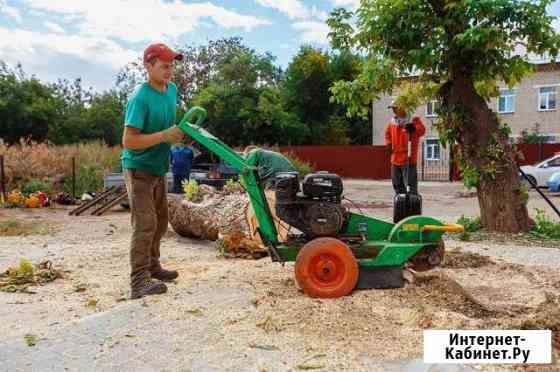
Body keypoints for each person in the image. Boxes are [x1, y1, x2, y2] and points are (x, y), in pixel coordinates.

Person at [121, 43, 187, 299]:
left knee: (161, 222)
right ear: (148, 65)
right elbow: (129, 140)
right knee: (145, 224)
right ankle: (138, 282)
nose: (169, 71)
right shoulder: (139, 97)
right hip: (138, 169)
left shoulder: (171, 91)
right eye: (164, 66)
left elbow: (168, 127)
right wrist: (163, 136)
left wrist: (178, 134)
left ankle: (153, 266)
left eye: (172, 66)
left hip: (159, 168)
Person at [243, 146, 295, 243]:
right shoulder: (266, 157)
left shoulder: (254, 152)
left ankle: (272, 238)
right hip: (289, 175)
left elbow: (246, 170)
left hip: (282, 175)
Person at [384, 101, 426, 195]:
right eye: (392, 109)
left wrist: (414, 128)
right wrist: (388, 143)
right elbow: (387, 134)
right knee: (396, 182)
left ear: (402, 107)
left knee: (410, 185)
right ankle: (400, 201)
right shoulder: (393, 121)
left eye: (395, 108)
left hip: (409, 157)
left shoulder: (413, 119)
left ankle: (412, 202)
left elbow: (422, 130)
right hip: (395, 157)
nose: (394, 111)